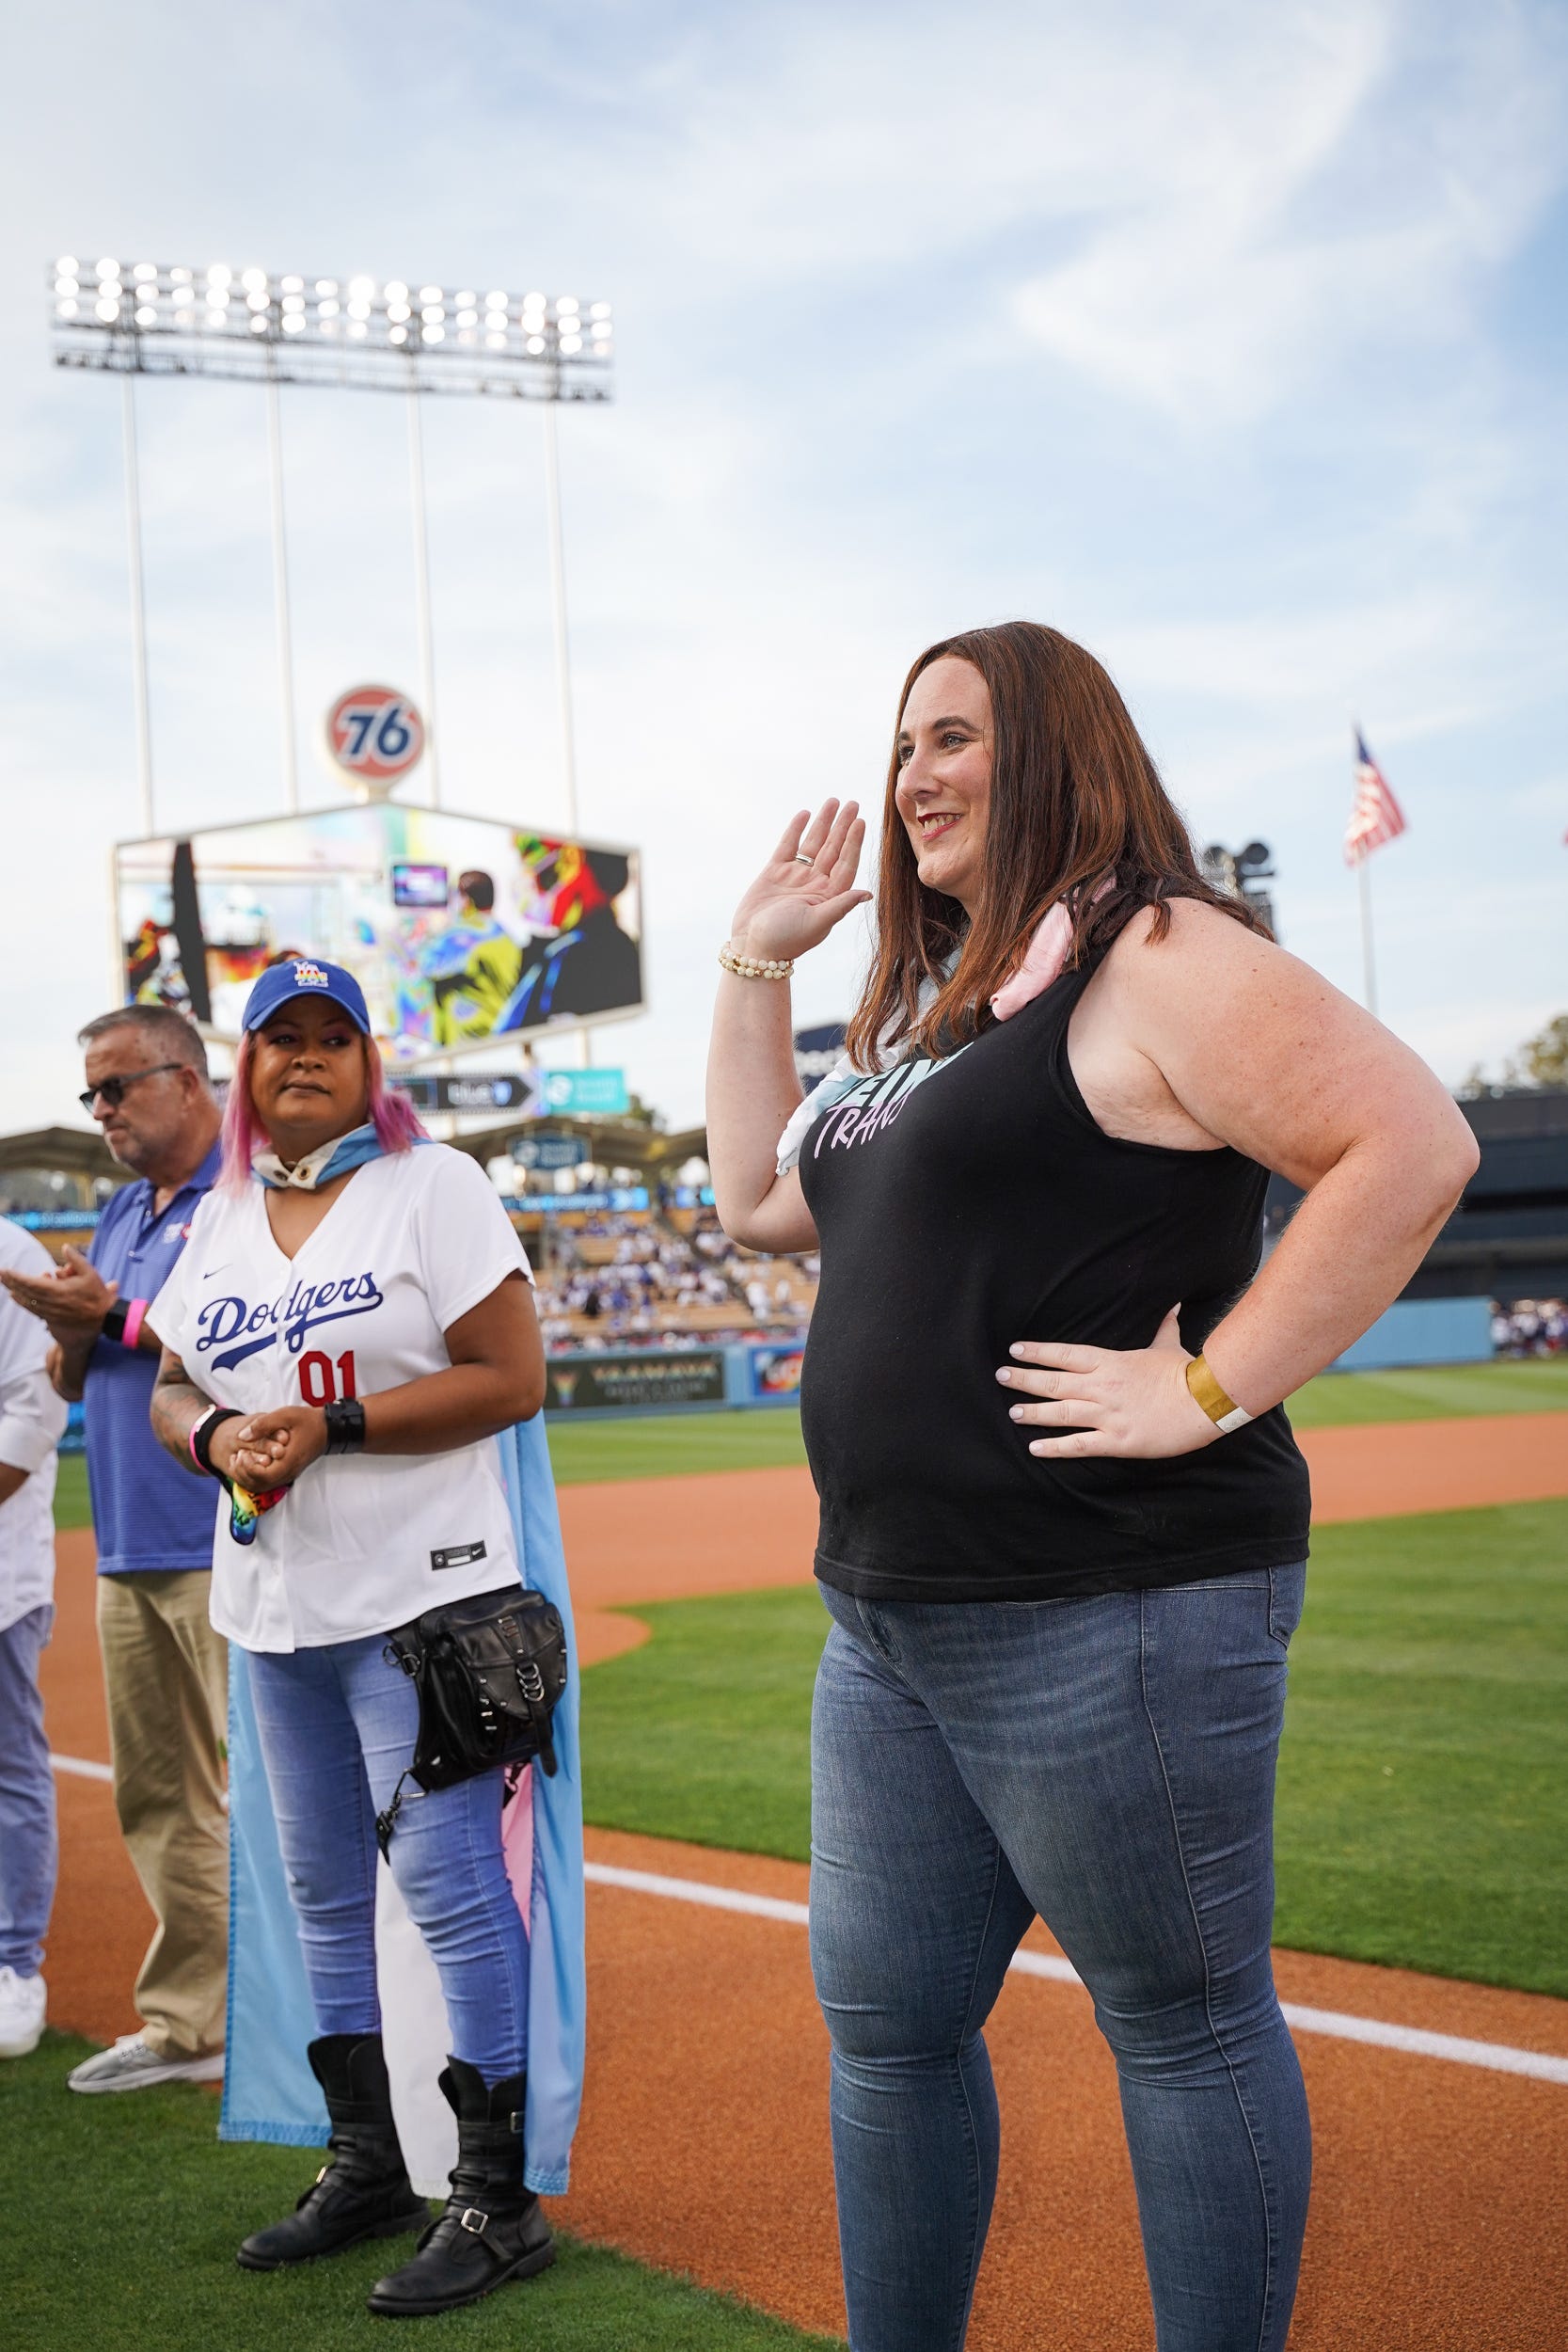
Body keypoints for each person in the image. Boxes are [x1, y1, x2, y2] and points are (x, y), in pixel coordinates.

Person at [705, 621, 1480, 2352]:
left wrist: (1202, 1385)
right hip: (886, 1620)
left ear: (1053, 749)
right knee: (891, 2033)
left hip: (1111, 1605)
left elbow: (1410, 1146)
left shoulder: (1154, 950)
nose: (915, 773)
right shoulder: (935, 1007)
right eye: (904, 740)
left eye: (957, 736)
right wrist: (753, 965)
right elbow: (761, 1201)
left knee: (1181, 2027)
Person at [144, 956, 555, 2319]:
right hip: (275, 1601)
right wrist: (215, 1436)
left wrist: (339, 1426)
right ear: (244, 1072)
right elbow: (169, 1388)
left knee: (441, 1878)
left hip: (425, 1590)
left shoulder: (431, 1184)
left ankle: (496, 2201)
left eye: (333, 1038)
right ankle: (367, 2160)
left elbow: (513, 1378)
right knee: (321, 1889)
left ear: (371, 1065)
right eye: (280, 1041)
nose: (305, 1058)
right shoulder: (221, 1216)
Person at [0, 1005, 229, 2094]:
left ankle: (337, 2033)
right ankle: (194, 2023)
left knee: (281, 1800)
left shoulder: (256, 1192)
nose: (99, 1111)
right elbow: (76, 1379)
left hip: (231, 1537)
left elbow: (257, 1341)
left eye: (116, 1087)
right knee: (157, 1798)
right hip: (133, 1540)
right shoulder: (126, 1208)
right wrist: (75, 1330)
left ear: (187, 1080)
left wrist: (117, 1315)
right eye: (89, 1093)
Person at [0, 1220, 70, 2059]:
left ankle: (14, 1964)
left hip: (1, 1571)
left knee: (10, 1766)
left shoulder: (16, 1253)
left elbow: (35, 1407)